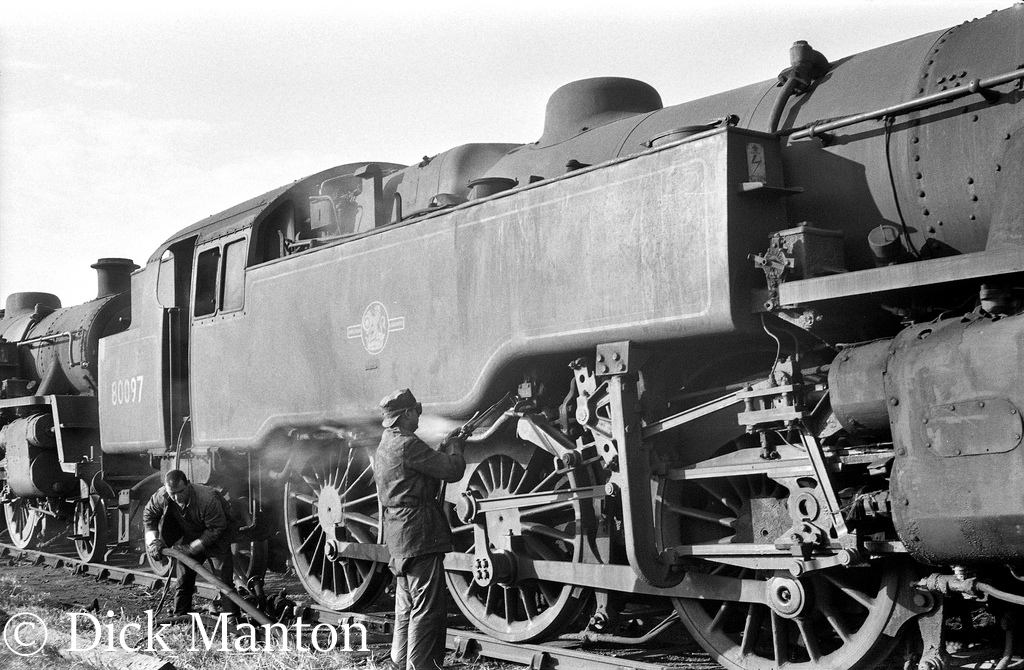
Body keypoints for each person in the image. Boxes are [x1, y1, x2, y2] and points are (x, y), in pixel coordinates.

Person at [375, 388, 467, 670]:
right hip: (420, 533)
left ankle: (400, 663)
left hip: (399, 535)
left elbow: (417, 472)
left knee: (405, 607)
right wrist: (456, 447)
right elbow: (453, 470)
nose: (419, 415)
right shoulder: (408, 444)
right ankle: (422, 666)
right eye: (417, 410)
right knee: (427, 610)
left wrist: (440, 448)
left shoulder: (387, 443)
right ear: (406, 415)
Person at [143, 470, 240, 618]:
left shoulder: (207, 498)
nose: (176, 497)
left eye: (180, 492)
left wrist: (191, 548)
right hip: (192, 534)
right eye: (172, 493)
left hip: (218, 538)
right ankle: (181, 617)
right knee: (183, 580)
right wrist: (152, 542)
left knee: (223, 582)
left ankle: (232, 619)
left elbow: (216, 528)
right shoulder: (162, 495)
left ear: (188, 484)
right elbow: (149, 515)